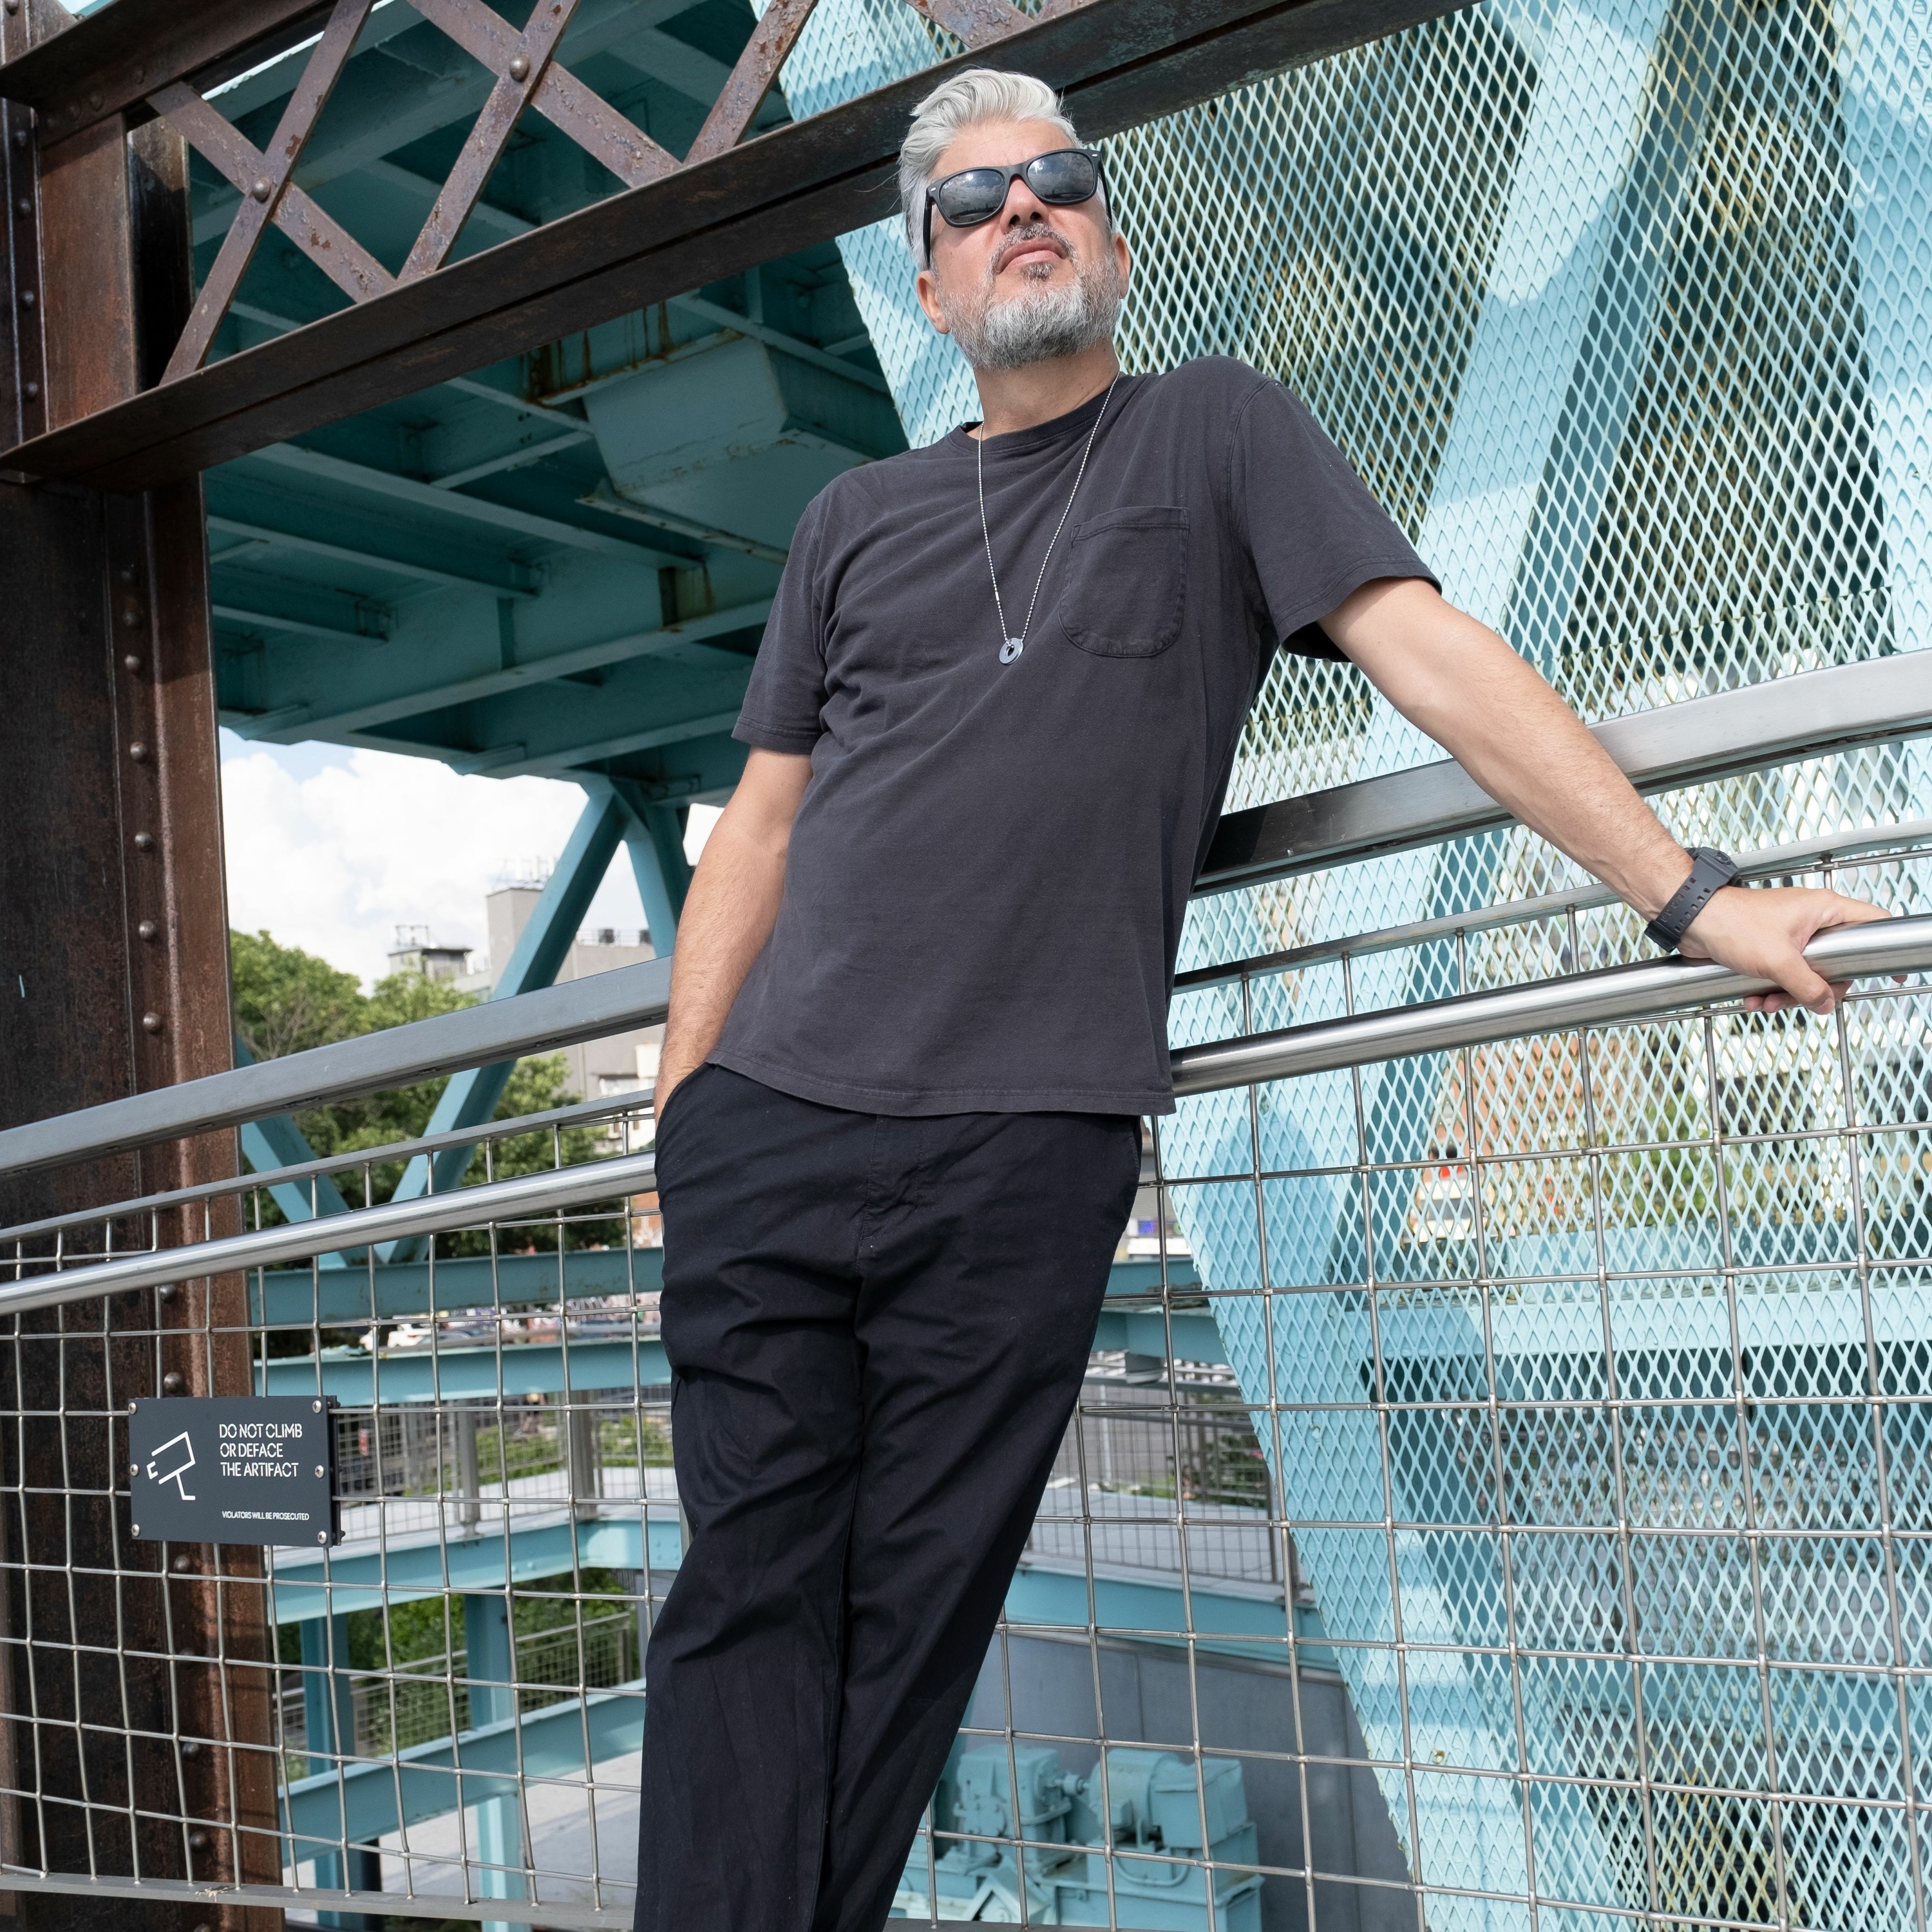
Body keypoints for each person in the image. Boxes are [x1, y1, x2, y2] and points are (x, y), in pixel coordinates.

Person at [632, 67, 1886, 1932]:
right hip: (775, 1127)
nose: (1022, 208)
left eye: (1059, 178)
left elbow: (1428, 656)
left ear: (1111, 239)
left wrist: (1689, 894)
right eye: (973, 199)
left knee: (911, 1615)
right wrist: (682, 1109)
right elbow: (759, 828)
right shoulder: (854, 518)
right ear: (931, 282)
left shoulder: (1214, 430)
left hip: (1025, 1141)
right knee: (744, 1597)